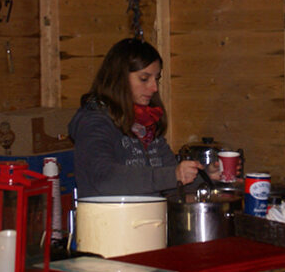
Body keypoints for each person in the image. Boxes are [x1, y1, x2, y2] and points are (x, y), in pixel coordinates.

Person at [68, 37, 219, 198]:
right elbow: (104, 179)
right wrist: (173, 175)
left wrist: (205, 178)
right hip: (107, 220)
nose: (154, 88)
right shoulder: (94, 121)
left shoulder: (147, 122)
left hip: (148, 219)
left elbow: (171, 183)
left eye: (157, 79)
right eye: (144, 79)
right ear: (118, 77)